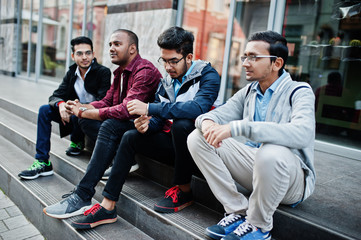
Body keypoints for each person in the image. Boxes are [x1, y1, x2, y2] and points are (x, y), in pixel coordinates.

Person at [187, 31, 316, 240]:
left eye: (254, 57)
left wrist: (239, 127)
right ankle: (237, 211)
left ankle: (259, 227)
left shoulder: (299, 91)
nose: (246, 63)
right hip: (257, 172)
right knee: (197, 137)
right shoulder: (249, 91)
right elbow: (212, 115)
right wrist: (208, 122)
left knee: (270, 151)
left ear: (277, 63)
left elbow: (302, 134)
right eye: (245, 56)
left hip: (291, 182)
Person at [42, 29, 162, 223]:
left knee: (109, 125)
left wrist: (83, 111)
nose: (111, 49)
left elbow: (125, 110)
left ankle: (83, 195)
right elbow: (107, 101)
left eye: (117, 44)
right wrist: (80, 107)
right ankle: (85, 191)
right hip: (129, 126)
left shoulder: (144, 71)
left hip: (148, 129)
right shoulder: (120, 72)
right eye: (110, 45)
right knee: (89, 119)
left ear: (132, 49)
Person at [125, 26, 220, 213]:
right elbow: (158, 120)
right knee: (130, 135)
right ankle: (109, 200)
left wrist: (150, 107)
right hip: (178, 149)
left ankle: (184, 191)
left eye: (174, 61)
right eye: (164, 61)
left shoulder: (208, 75)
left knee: (182, 123)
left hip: (205, 148)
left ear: (189, 57)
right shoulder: (167, 81)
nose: (168, 67)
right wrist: (147, 125)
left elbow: (198, 108)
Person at [18, 36, 111, 180]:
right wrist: (61, 105)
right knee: (44, 110)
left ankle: (79, 141)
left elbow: (104, 100)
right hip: (75, 114)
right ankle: (43, 162)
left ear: (93, 54)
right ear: (73, 56)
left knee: (79, 114)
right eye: (79, 53)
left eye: (88, 53)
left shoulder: (103, 72)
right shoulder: (72, 72)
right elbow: (55, 96)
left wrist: (79, 107)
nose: (84, 57)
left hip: (94, 116)